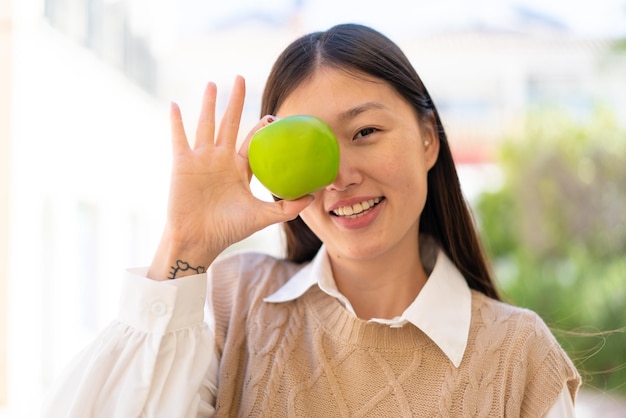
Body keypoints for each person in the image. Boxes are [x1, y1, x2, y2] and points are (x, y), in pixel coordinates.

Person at [43, 23, 580, 417]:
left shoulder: (518, 358)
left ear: (427, 139)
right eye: (310, 149)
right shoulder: (237, 305)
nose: (340, 177)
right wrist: (186, 242)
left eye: (365, 132)